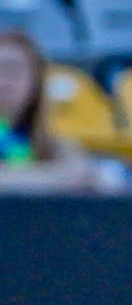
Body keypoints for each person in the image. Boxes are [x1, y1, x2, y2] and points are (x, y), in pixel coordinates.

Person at [0, 30, 104, 194]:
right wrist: (57, 177)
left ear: (36, 81)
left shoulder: (52, 142)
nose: (4, 79)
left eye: (13, 69)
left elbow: (82, 171)